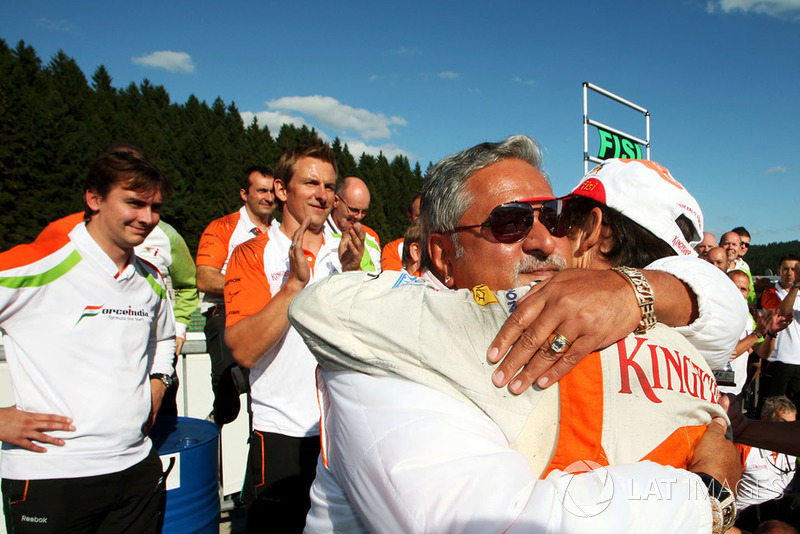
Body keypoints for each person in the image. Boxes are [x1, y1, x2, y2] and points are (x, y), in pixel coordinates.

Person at [292, 139, 744, 532]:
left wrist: (635, 291)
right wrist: (708, 498)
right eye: (510, 222)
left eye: (554, 218)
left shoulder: (586, 325)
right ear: (444, 257)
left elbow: (723, 319)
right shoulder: (385, 352)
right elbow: (496, 523)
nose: (545, 241)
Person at [0, 149, 175, 532]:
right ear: (94, 199)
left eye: (155, 207)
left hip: (135, 470)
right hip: (52, 475)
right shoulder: (37, 265)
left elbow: (164, 338)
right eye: (134, 203)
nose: (147, 218)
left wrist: (159, 383)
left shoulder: (151, 280)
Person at [223, 139, 360, 533]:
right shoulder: (252, 254)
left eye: (329, 186)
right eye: (311, 183)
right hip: (282, 433)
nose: (322, 195)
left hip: (341, 431)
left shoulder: (345, 253)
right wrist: (293, 286)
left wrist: (352, 279)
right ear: (282, 190)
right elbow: (244, 350)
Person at [196, 165, 275, 426]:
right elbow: (205, 278)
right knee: (228, 402)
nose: (269, 197)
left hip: (268, 316)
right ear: (244, 194)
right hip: (226, 313)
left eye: (273, 191)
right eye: (261, 190)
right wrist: (251, 286)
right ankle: (217, 417)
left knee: (264, 406)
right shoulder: (223, 227)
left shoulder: (280, 232)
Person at [734, 396, 798, 531]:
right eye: (783, 423)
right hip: (748, 514)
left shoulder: (791, 447)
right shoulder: (745, 447)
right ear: (765, 419)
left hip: (781, 511)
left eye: (792, 425)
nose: (788, 430)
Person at [759, 256, 800, 411]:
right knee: (773, 410)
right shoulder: (770, 293)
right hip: (778, 360)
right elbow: (782, 312)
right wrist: (796, 286)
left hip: (798, 362)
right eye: (786, 269)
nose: (790, 273)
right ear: (779, 271)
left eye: (795, 269)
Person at [324, 176, 381, 271]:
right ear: (336, 201)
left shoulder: (371, 237)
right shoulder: (318, 233)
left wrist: (355, 268)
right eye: (353, 210)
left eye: (364, 212)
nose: (358, 216)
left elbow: (376, 281)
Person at [381, 194, 421, 271]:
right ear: (410, 216)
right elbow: (392, 280)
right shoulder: (394, 249)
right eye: (419, 217)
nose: (425, 221)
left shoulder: (443, 246)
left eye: (429, 217)